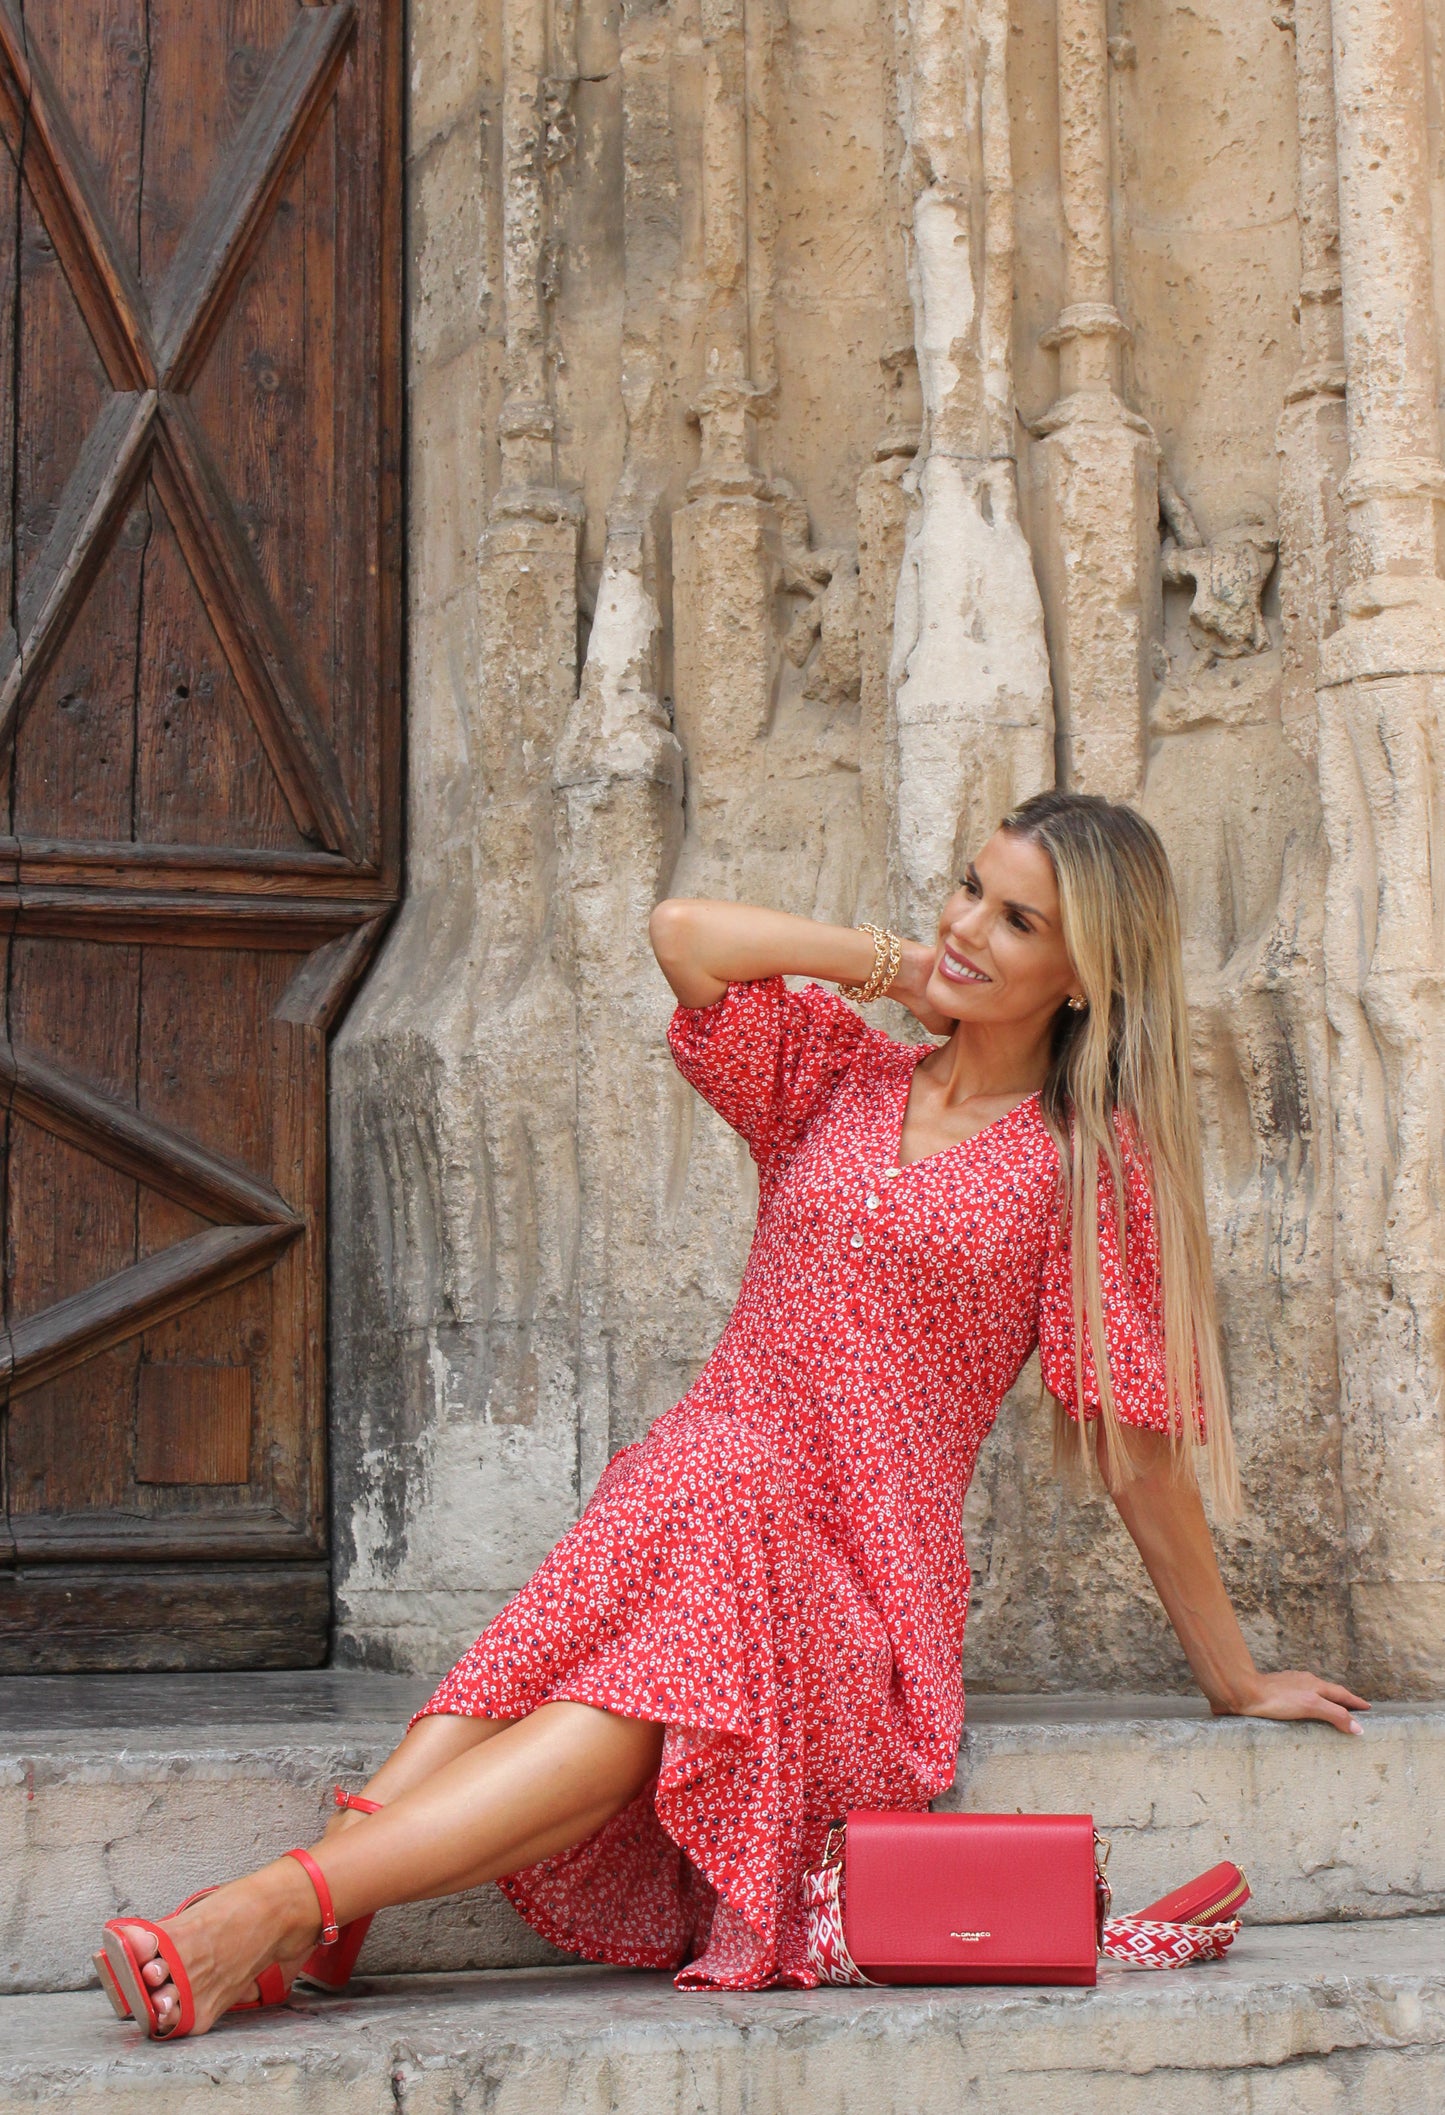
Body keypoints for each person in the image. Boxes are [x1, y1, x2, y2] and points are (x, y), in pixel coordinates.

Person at [98, 791, 1368, 2038]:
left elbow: (1136, 1455)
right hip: (703, 1501)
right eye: (970, 889)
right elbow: (684, 936)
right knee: (700, 1480)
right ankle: (308, 1906)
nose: (970, 927)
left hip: (858, 1594)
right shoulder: (840, 1076)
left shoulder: (1085, 1161)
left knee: (709, 1499)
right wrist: (900, 967)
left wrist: (1231, 1676)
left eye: (1018, 922)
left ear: (1086, 975)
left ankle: (292, 1901)